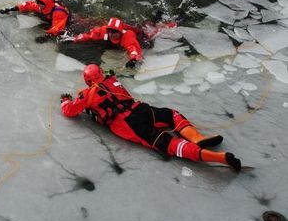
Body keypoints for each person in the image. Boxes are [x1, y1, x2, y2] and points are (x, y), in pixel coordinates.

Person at [60, 64, 242, 171]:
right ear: (101, 73)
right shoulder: (113, 80)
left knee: (168, 144)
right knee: (171, 115)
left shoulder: (86, 95)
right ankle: (197, 137)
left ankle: (219, 157)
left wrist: (66, 100)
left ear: (87, 80)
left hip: (128, 123)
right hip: (141, 109)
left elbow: (69, 110)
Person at [59, 17, 144, 69]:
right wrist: (74, 39)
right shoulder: (103, 31)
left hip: (139, 37)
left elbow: (133, 49)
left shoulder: (127, 36)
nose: (111, 34)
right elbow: (89, 35)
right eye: (110, 31)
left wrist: (133, 59)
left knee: (148, 44)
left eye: (114, 32)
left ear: (120, 32)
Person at [0, 0, 70, 43]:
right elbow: (28, 5)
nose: (38, 4)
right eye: (37, 2)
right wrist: (12, 9)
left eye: (40, 3)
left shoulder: (58, 12)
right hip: (51, 18)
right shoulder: (41, 6)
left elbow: (57, 29)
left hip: (67, 22)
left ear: (46, 3)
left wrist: (45, 38)